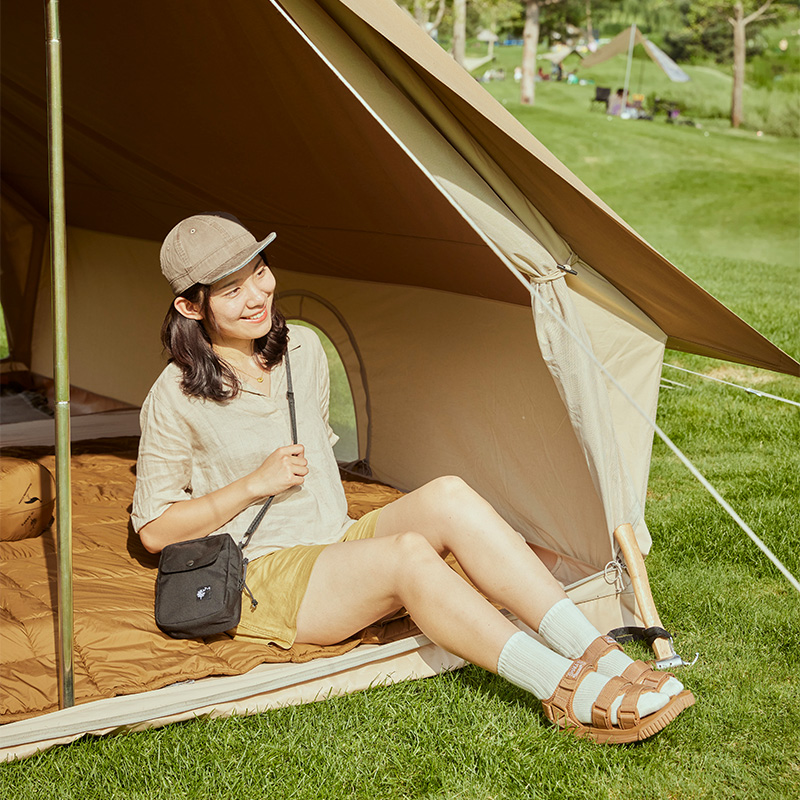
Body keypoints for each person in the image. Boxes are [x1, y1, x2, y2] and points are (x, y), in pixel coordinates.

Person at [132, 213, 694, 743]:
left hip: (336, 539)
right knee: (407, 555)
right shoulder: (174, 395)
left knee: (449, 494)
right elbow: (155, 532)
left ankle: (600, 653)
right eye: (232, 292)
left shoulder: (300, 348)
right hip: (265, 574)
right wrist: (253, 483)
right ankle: (562, 688)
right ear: (190, 306)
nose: (257, 296)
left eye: (259, 274)